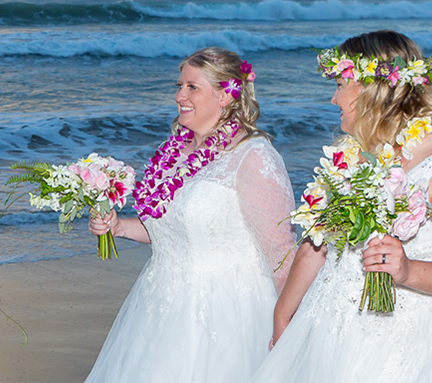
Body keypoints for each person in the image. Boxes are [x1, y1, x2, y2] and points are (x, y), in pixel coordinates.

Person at [250, 30, 432, 382]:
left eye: (340, 85)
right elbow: (318, 243)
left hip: (398, 343)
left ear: (370, 88)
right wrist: (284, 314)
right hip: (328, 330)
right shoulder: (354, 155)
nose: (333, 99)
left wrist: (408, 270)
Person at [84, 47, 297, 382]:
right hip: (158, 306)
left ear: (226, 95)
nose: (179, 95)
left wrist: (289, 325)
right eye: (179, 85)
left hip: (225, 315)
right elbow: (169, 230)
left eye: (191, 87)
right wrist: (119, 226)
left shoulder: (252, 156)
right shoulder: (176, 151)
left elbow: (282, 255)